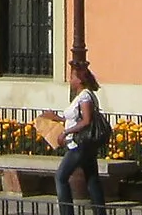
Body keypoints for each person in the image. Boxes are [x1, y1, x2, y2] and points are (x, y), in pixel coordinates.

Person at [53, 63, 107, 215]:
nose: (70, 80)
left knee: (61, 177)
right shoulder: (82, 96)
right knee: (92, 178)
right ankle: (100, 211)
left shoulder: (85, 97)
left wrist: (65, 132)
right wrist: (57, 118)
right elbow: (75, 118)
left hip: (79, 144)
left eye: (72, 77)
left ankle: (66, 211)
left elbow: (86, 121)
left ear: (79, 80)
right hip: (83, 145)